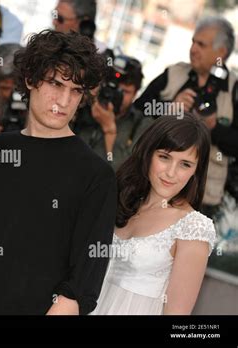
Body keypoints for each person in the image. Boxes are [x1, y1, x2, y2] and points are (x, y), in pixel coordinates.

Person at [0, 29, 116, 315]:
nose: (64, 100)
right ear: (30, 79)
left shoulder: (96, 176)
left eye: (76, 91)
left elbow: (82, 285)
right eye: (56, 84)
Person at [92, 113, 216, 315]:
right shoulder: (123, 201)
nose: (171, 172)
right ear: (148, 153)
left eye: (185, 164)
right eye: (164, 157)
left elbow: (176, 314)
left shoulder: (194, 227)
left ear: (196, 170)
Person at [134, 16, 238, 218]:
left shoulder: (234, 91)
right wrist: (169, 108)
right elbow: (137, 109)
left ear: (221, 53)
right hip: (152, 186)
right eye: (193, 42)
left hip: (203, 200)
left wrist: (214, 128)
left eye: (201, 44)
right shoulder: (174, 73)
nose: (193, 49)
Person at [73, 54, 154, 171]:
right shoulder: (85, 106)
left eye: (124, 92)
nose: (116, 95)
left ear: (135, 94)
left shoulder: (142, 125)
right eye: (113, 88)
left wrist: (109, 130)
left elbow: (124, 172)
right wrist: (82, 100)